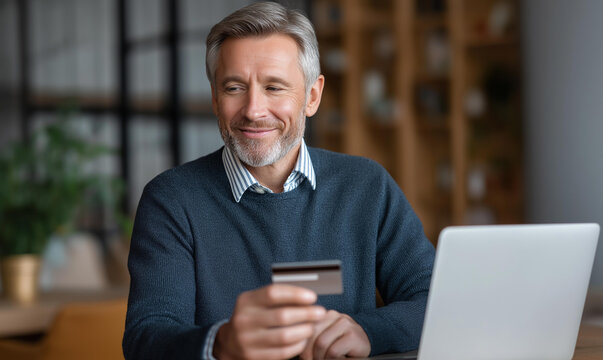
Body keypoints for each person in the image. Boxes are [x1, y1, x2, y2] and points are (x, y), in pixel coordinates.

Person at [122, 2, 435, 359]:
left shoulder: (366, 186)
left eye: (274, 87)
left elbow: (434, 298)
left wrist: (368, 331)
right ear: (214, 98)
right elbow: (146, 337)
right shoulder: (171, 200)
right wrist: (220, 344)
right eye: (234, 88)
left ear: (312, 97)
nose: (254, 110)